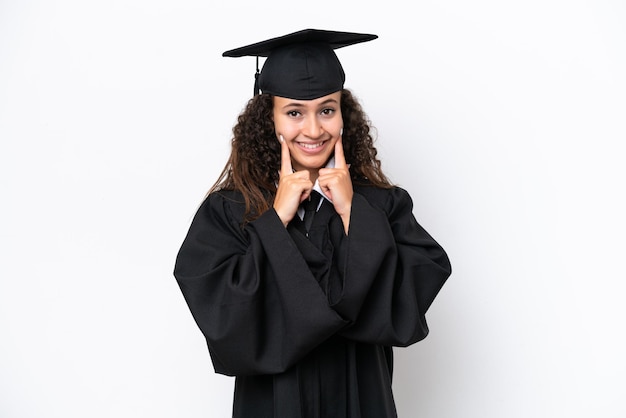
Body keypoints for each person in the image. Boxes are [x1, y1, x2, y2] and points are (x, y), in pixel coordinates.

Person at [174, 29, 451, 418]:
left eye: (326, 109)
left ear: (344, 115)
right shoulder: (230, 210)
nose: (314, 129)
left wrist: (354, 213)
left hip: (362, 400)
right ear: (267, 118)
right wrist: (275, 220)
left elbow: (408, 305)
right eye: (293, 112)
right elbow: (226, 322)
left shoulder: (381, 205)